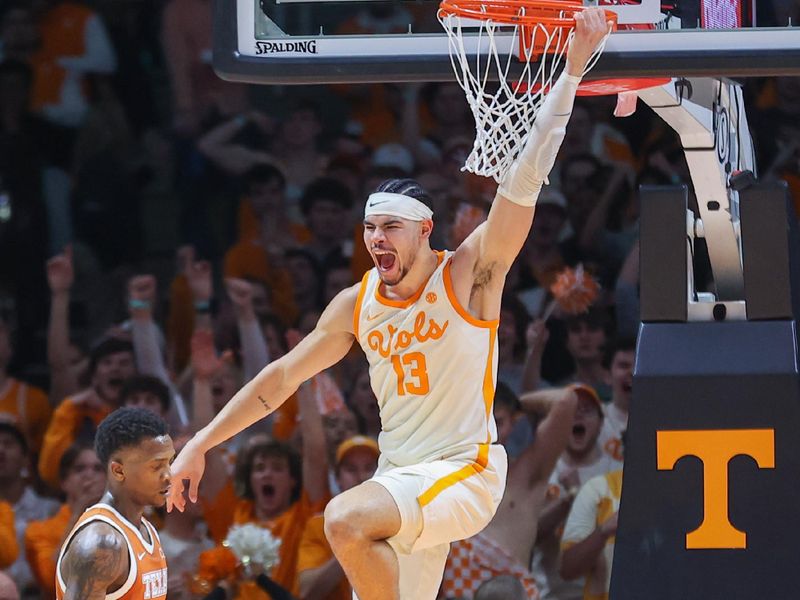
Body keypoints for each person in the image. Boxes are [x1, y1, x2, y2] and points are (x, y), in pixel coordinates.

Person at [168, 11, 610, 600]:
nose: (377, 239)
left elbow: (522, 184)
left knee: (344, 520)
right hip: (398, 482)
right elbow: (281, 378)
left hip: (462, 474)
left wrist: (573, 69)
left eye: (391, 228)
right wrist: (200, 441)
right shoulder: (356, 303)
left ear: (425, 231)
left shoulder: (469, 274)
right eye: (370, 228)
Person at [55, 407, 174, 599]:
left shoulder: (146, 529)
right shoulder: (102, 544)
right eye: (156, 466)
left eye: (170, 462)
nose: (168, 475)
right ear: (118, 471)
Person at [297, 435, 380, 600]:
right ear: (337, 479)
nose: (361, 476)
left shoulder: (399, 522)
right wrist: (351, 547)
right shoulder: (319, 525)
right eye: (351, 469)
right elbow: (306, 591)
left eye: (369, 468)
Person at [24, 443, 106, 598]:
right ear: (64, 482)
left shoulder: (123, 524)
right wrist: (78, 515)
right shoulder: (38, 530)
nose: (89, 475)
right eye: (79, 469)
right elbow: (51, 580)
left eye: (98, 469)